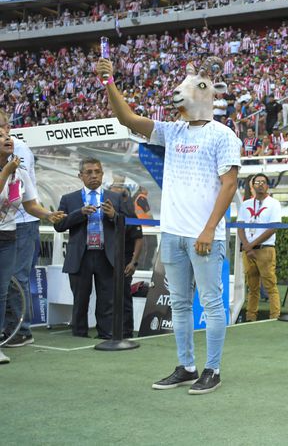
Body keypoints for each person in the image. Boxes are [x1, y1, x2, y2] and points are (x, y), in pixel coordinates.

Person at [98, 56, 241, 394]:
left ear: (208, 95)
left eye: (193, 87)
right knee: (178, 303)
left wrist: (207, 230)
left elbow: (230, 185)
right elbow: (126, 117)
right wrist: (109, 82)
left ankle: (213, 369)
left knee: (210, 303)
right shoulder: (172, 131)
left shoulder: (224, 135)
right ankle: (186, 366)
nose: (179, 93)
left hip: (203, 236)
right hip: (174, 235)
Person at [0, 128, 64, 364]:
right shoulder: (11, 170)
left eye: (7, 135)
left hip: (8, 237)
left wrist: (49, 214)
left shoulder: (20, 173)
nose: (7, 138)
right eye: (0, 136)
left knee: (3, 290)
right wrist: (6, 171)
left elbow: (29, 205)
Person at [53, 158, 125, 340]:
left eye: (97, 171)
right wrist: (80, 213)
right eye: (89, 172)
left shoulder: (115, 198)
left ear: (102, 174)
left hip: (105, 255)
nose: (94, 175)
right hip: (80, 256)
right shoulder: (69, 199)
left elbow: (127, 226)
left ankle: (106, 335)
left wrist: (114, 216)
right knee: (80, 300)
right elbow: (59, 226)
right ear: (80, 176)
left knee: (107, 300)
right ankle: (79, 335)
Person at [0, 111, 40, 347]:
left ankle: (20, 330)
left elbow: (16, 181)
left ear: (7, 126)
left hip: (23, 219)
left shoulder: (19, 149)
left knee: (16, 276)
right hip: (9, 221)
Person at [238, 173, 282, 321]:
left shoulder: (274, 203)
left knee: (270, 284)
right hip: (248, 251)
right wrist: (247, 246)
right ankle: (251, 316)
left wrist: (251, 245)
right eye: (257, 182)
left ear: (267, 185)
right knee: (252, 286)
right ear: (253, 186)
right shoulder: (245, 204)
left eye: (263, 182)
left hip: (265, 249)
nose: (260, 184)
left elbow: (273, 228)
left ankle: (275, 315)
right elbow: (240, 227)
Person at [109, 183, 144, 339]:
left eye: (121, 195)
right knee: (108, 296)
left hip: (124, 261)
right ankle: (108, 330)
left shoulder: (131, 216)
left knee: (124, 296)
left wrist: (133, 262)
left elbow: (139, 240)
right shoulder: (103, 214)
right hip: (107, 260)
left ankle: (126, 331)